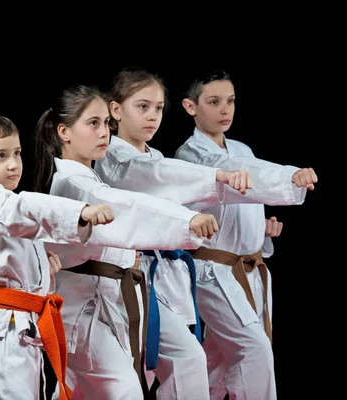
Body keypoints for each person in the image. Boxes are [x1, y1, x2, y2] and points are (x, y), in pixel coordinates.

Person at [94, 66, 299, 400]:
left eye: (158, 108)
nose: (153, 116)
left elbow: (216, 201)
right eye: (142, 107)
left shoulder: (158, 154)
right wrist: (214, 181)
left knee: (202, 364)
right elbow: (157, 179)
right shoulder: (117, 158)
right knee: (179, 365)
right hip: (137, 278)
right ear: (116, 110)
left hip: (167, 277)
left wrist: (259, 226)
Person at [32, 84, 219, 400]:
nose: (104, 132)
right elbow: (124, 208)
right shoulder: (73, 185)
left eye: (106, 123)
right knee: (122, 389)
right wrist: (185, 221)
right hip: (84, 311)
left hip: (119, 297)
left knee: (188, 359)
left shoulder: (91, 179)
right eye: (93, 124)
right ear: (64, 132)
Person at [174, 69, 318, 400]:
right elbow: (240, 178)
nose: (225, 110)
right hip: (213, 272)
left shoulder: (242, 148)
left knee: (218, 361)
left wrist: (261, 234)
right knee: (253, 350)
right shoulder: (190, 155)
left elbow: (246, 199)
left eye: (230, 101)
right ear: (190, 107)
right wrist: (288, 176)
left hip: (247, 269)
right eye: (214, 102)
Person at [0, 113, 117, 400]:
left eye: (17, 153)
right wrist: (80, 211)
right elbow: (23, 209)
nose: (13, 164)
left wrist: (44, 270)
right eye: (0, 156)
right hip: (5, 325)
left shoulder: (4, 204)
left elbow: (19, 232)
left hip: (22, 323)